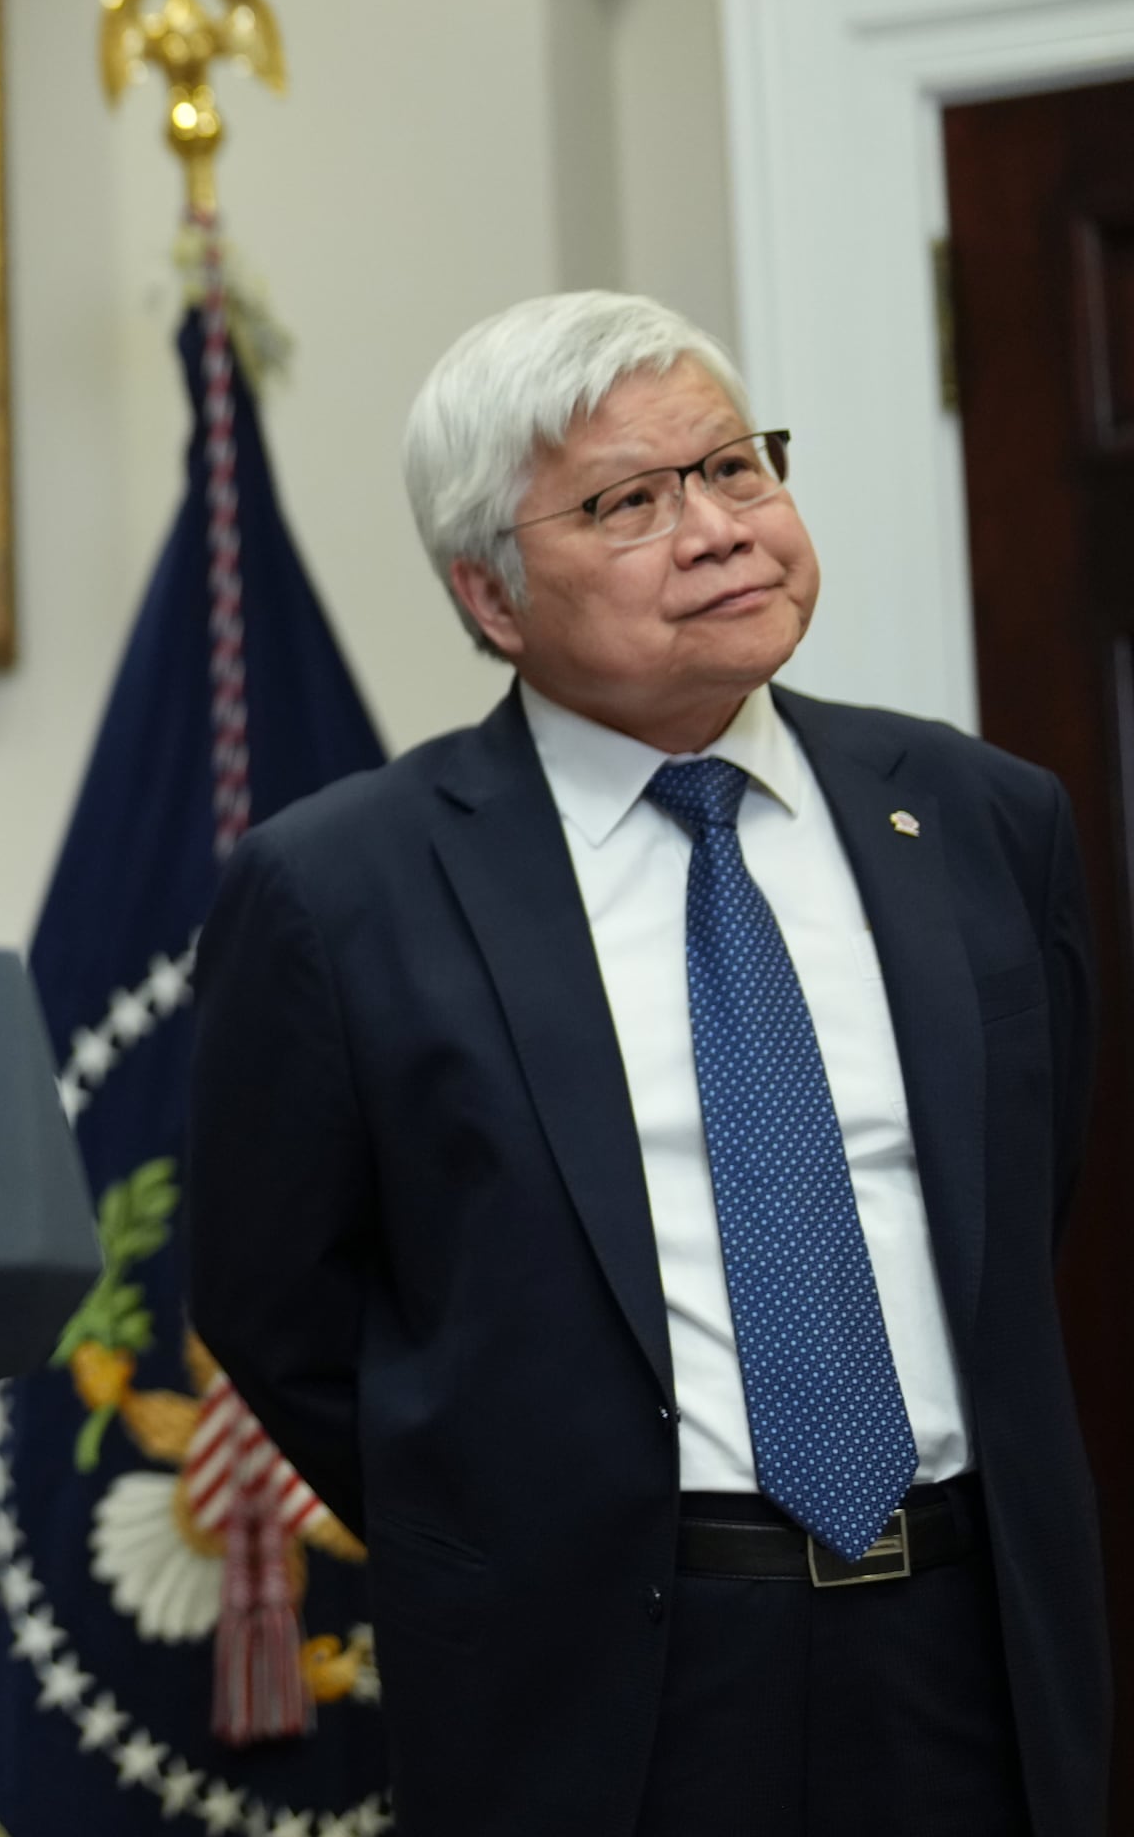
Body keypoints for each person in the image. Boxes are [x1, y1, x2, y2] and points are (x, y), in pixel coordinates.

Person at [190, 291, 1106, 1837]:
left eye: (738, 470)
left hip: (970, 1646)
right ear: (491, 596)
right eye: (629, 502)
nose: (719, 530)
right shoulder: (343, 890)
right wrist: (509, 1511)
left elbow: (1030, 1199)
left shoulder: (978, 817)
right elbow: (276, 1301)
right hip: (593, 1681)